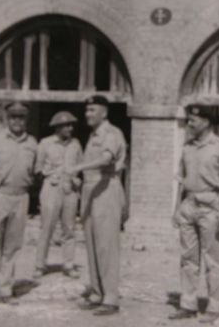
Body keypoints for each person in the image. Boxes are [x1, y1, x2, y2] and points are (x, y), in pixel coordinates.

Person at [169, 104, 219, 324]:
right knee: (188, 259)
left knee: (212, 261)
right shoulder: (187, 147)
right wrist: (176, 209)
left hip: (211, 206)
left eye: (193, 121)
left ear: (206, 122)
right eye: (188, 120)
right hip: (189, 204)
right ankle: (188, 304)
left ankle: (213, 307)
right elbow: (181, 180)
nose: (189, 124)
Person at [65, 95, 127, 316]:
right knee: (91, 243)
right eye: (87, 110)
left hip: (106, 189)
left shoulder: (112, 133)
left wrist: (78, 167)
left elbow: (107, 159)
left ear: (104, 113)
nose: (87, 114)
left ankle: (111, 298)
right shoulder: (92, 135)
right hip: (91, 189)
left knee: (106, 245)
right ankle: (97, 293)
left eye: (92, 110)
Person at [0, 102, 39, 307]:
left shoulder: (32, 143)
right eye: (13, 117)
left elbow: (35, 173)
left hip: (20, 197)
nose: (17, 121)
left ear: (26, 120)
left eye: (21, 118)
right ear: (6, 119)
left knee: (12, 246)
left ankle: (5, 289)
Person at [33, 111, 83, 280]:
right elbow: (37, 168)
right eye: (66, 125)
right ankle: (40, 265)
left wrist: (76, 178)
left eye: (71, 125)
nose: (70, 128)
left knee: (69, 228)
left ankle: (68, 265)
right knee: (47, 227)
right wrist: (50, 176)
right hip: (52, 187)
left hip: (70, 189)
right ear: (58, 127)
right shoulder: (45, 144)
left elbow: (80, 165)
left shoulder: (76, 144)